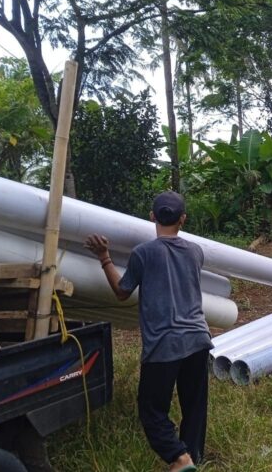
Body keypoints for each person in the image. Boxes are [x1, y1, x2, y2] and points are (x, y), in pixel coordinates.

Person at [84, 191, 211, 472]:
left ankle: (180, 459)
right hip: (199, 339)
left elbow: (122, 292)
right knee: (194, 406)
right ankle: (194, 458)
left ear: (152, 216)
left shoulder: (143, 253)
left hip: (164, 344)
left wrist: (104, 256)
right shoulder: (196, 251)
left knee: (151, 410)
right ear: (183, 219)